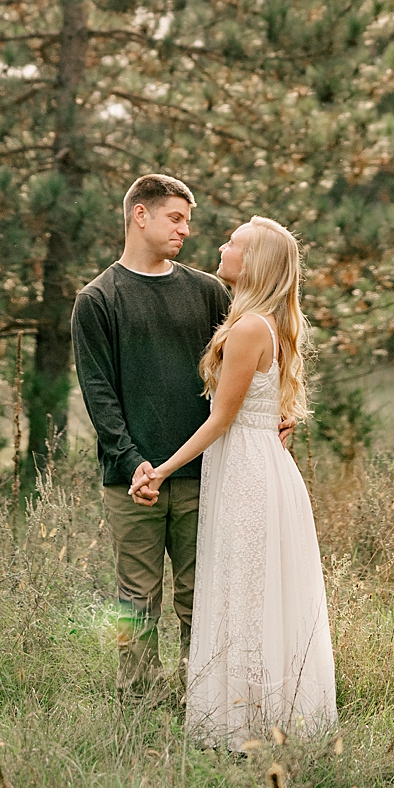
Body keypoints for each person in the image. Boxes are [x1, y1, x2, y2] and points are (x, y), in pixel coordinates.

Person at [131, 215, 337, 748]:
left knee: (243, 590)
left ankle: (245, 721)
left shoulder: (249, 328)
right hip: (256, 461)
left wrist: (160, 469)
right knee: (250, 590)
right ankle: (265, 714)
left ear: (254, 264)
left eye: (233, 243)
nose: (220, 246)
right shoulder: (265, 320)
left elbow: (220, 419)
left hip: (247, 468)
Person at [71, 173, 229, 702]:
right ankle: (137, 697)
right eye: (175, 218)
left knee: (197, 594)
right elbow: (98, 392)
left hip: (201, 472)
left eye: (188, 221)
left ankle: (198, 695)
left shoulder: (208, 292)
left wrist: (277, 410)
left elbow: (240, 368)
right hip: (130, 479)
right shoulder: (97, 300)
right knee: (134, 596)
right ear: (141, 215)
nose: (185, 230)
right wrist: (133, 459)